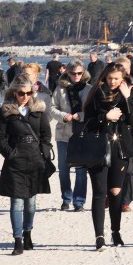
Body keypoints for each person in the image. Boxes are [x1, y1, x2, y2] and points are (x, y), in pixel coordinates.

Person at [0, 74, 53, 255]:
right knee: (16, 203)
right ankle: (17, 239)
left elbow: (46, 134)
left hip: (35, 160)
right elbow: (0, 137)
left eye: (29, 93)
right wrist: (10, 154)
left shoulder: (39, 109)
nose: (25, 96)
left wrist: (43, 153)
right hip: (15, 162)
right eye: (21, 93)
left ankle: (28, 233)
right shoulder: (7, 110)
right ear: (14, 92)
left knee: (31, 203)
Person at [84, 63, 133, 250]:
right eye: (110, 78)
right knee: (99, 193)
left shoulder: (126, 95)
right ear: (105, 78)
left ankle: (116, 231)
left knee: (116, 192)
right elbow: (88, 122)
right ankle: (99, 236)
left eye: (116, 78)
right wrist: (105, 117)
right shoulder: (96, 94)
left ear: (122, 79)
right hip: (98, 148)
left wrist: (128, 98)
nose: (113, 82)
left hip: (120, 149)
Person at [50, 60, 91, 212]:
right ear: (67, 73)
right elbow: (52, 108)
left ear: (83, 73)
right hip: (63, 134)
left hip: (82, 134)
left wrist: (80, 115)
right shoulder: (60, 89)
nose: (76, 76)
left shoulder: (88, 89)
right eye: (73, 73)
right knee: (63, 169)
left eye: (79, 73)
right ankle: (66, 198)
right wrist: (64, 116)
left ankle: (79, 201)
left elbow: (92, 110)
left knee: (81, 170)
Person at [114, 57, 133, 211]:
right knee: (114, 165)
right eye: (119, 68)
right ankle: (112, 196)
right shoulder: (110, 85)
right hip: (116, 131)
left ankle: (126, 201)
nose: (122, 71)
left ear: (129, 69)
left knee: (131, 169)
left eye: (124, 68)